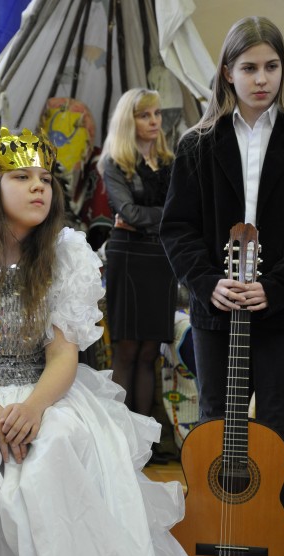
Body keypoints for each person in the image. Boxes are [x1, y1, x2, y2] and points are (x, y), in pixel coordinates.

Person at [0, 127, 215, 556]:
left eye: (45, 178)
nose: (39, 187)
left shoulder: (64, 257)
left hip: (40, 391)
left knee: (57, 446)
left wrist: (35, 407)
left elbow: (63, 354)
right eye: (22, 177)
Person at [160, 16, 284, 556]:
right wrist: (208, 284)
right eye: (249, 67)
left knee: (279, 430)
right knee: (213, 427)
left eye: (271, 66)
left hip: (279, 312)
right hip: (215, 311)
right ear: (227, 72)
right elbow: (176, 228)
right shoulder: (197, 144)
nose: (261, 78)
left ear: (283, 71)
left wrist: (276, 287)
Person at [98, 88, 177, 421]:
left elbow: (184, 210)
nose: (154, 121)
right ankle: (120, 438)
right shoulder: (115, 162)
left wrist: (149, 218)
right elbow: (127, 212)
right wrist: (165, 215)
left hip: (162, 259)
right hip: (128, 258)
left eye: (157, 113)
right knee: (127, 350)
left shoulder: (170, 161)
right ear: (128, 121)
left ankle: (145, 442)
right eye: (145, 115)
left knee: (149, 354)